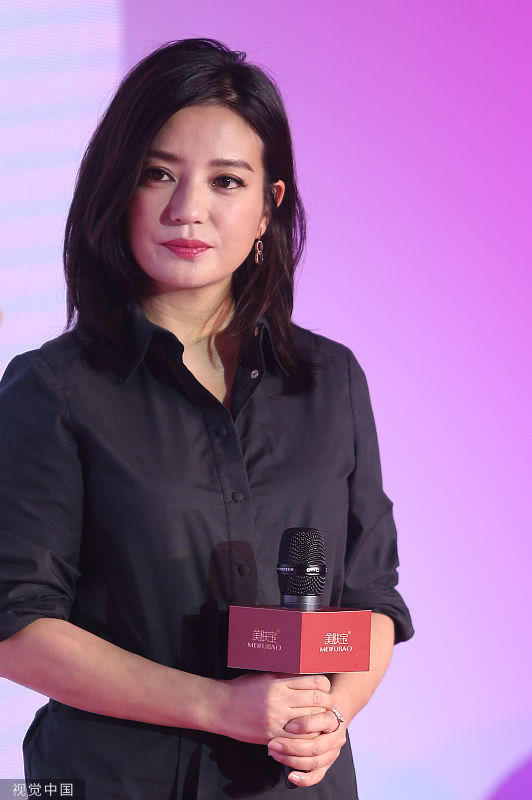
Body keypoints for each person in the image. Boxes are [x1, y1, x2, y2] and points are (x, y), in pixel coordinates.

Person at [0, 37, 414, 799]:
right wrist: (218, 707)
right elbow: (16, 625)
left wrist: (331, 715)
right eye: (158, 173)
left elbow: (372, 598)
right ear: (116, 187)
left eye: (227, 181)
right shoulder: (51, 389)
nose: (187, 209)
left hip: (298, 782)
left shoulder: (330, 380)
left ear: (268, 206)